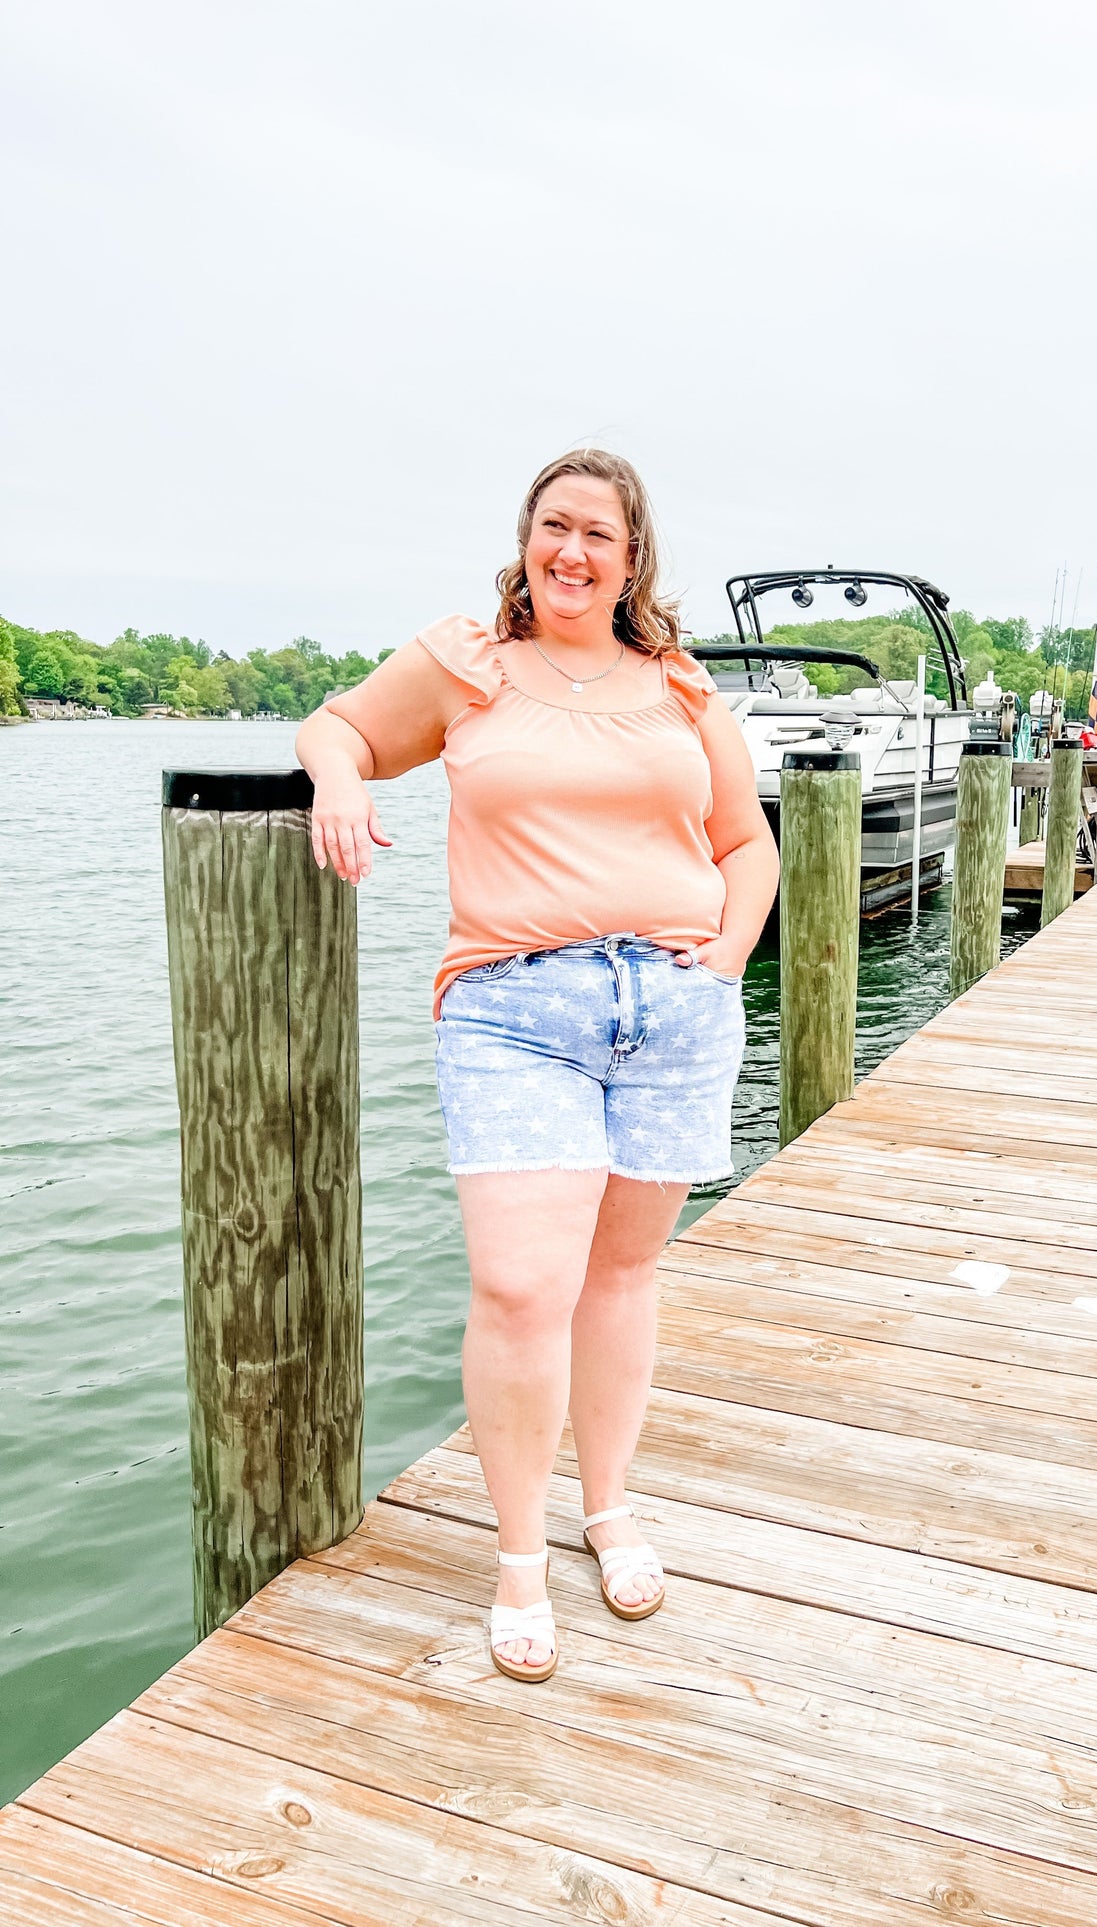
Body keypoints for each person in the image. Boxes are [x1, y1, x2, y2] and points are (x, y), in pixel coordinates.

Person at [295, 449, 778, 1681]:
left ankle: (606, 1508)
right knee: (521, 1285)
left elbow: (746, 846)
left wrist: (718, 963)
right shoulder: (470, 663)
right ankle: (519, 1554)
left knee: (620, 1276)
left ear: (632, 560)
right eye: (552, 527)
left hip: (670, 1006)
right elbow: (338, 723)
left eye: (597, 536)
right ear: (525, 542)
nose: (572, 552)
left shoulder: (676, 687)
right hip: (512, 1006)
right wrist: (340, 783)